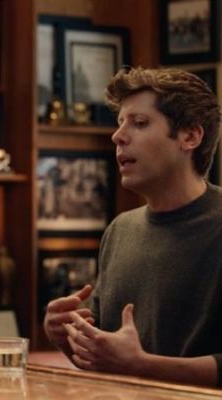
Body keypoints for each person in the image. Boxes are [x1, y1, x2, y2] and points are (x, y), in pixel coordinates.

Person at [43, 67, 222, 387]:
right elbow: (106, 361)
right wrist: (65, 335)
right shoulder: (120, 230)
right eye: (120, 122)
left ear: (190, 137)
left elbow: (132, 364)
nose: (118, 136)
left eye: (139, 123)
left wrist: (143, 366)